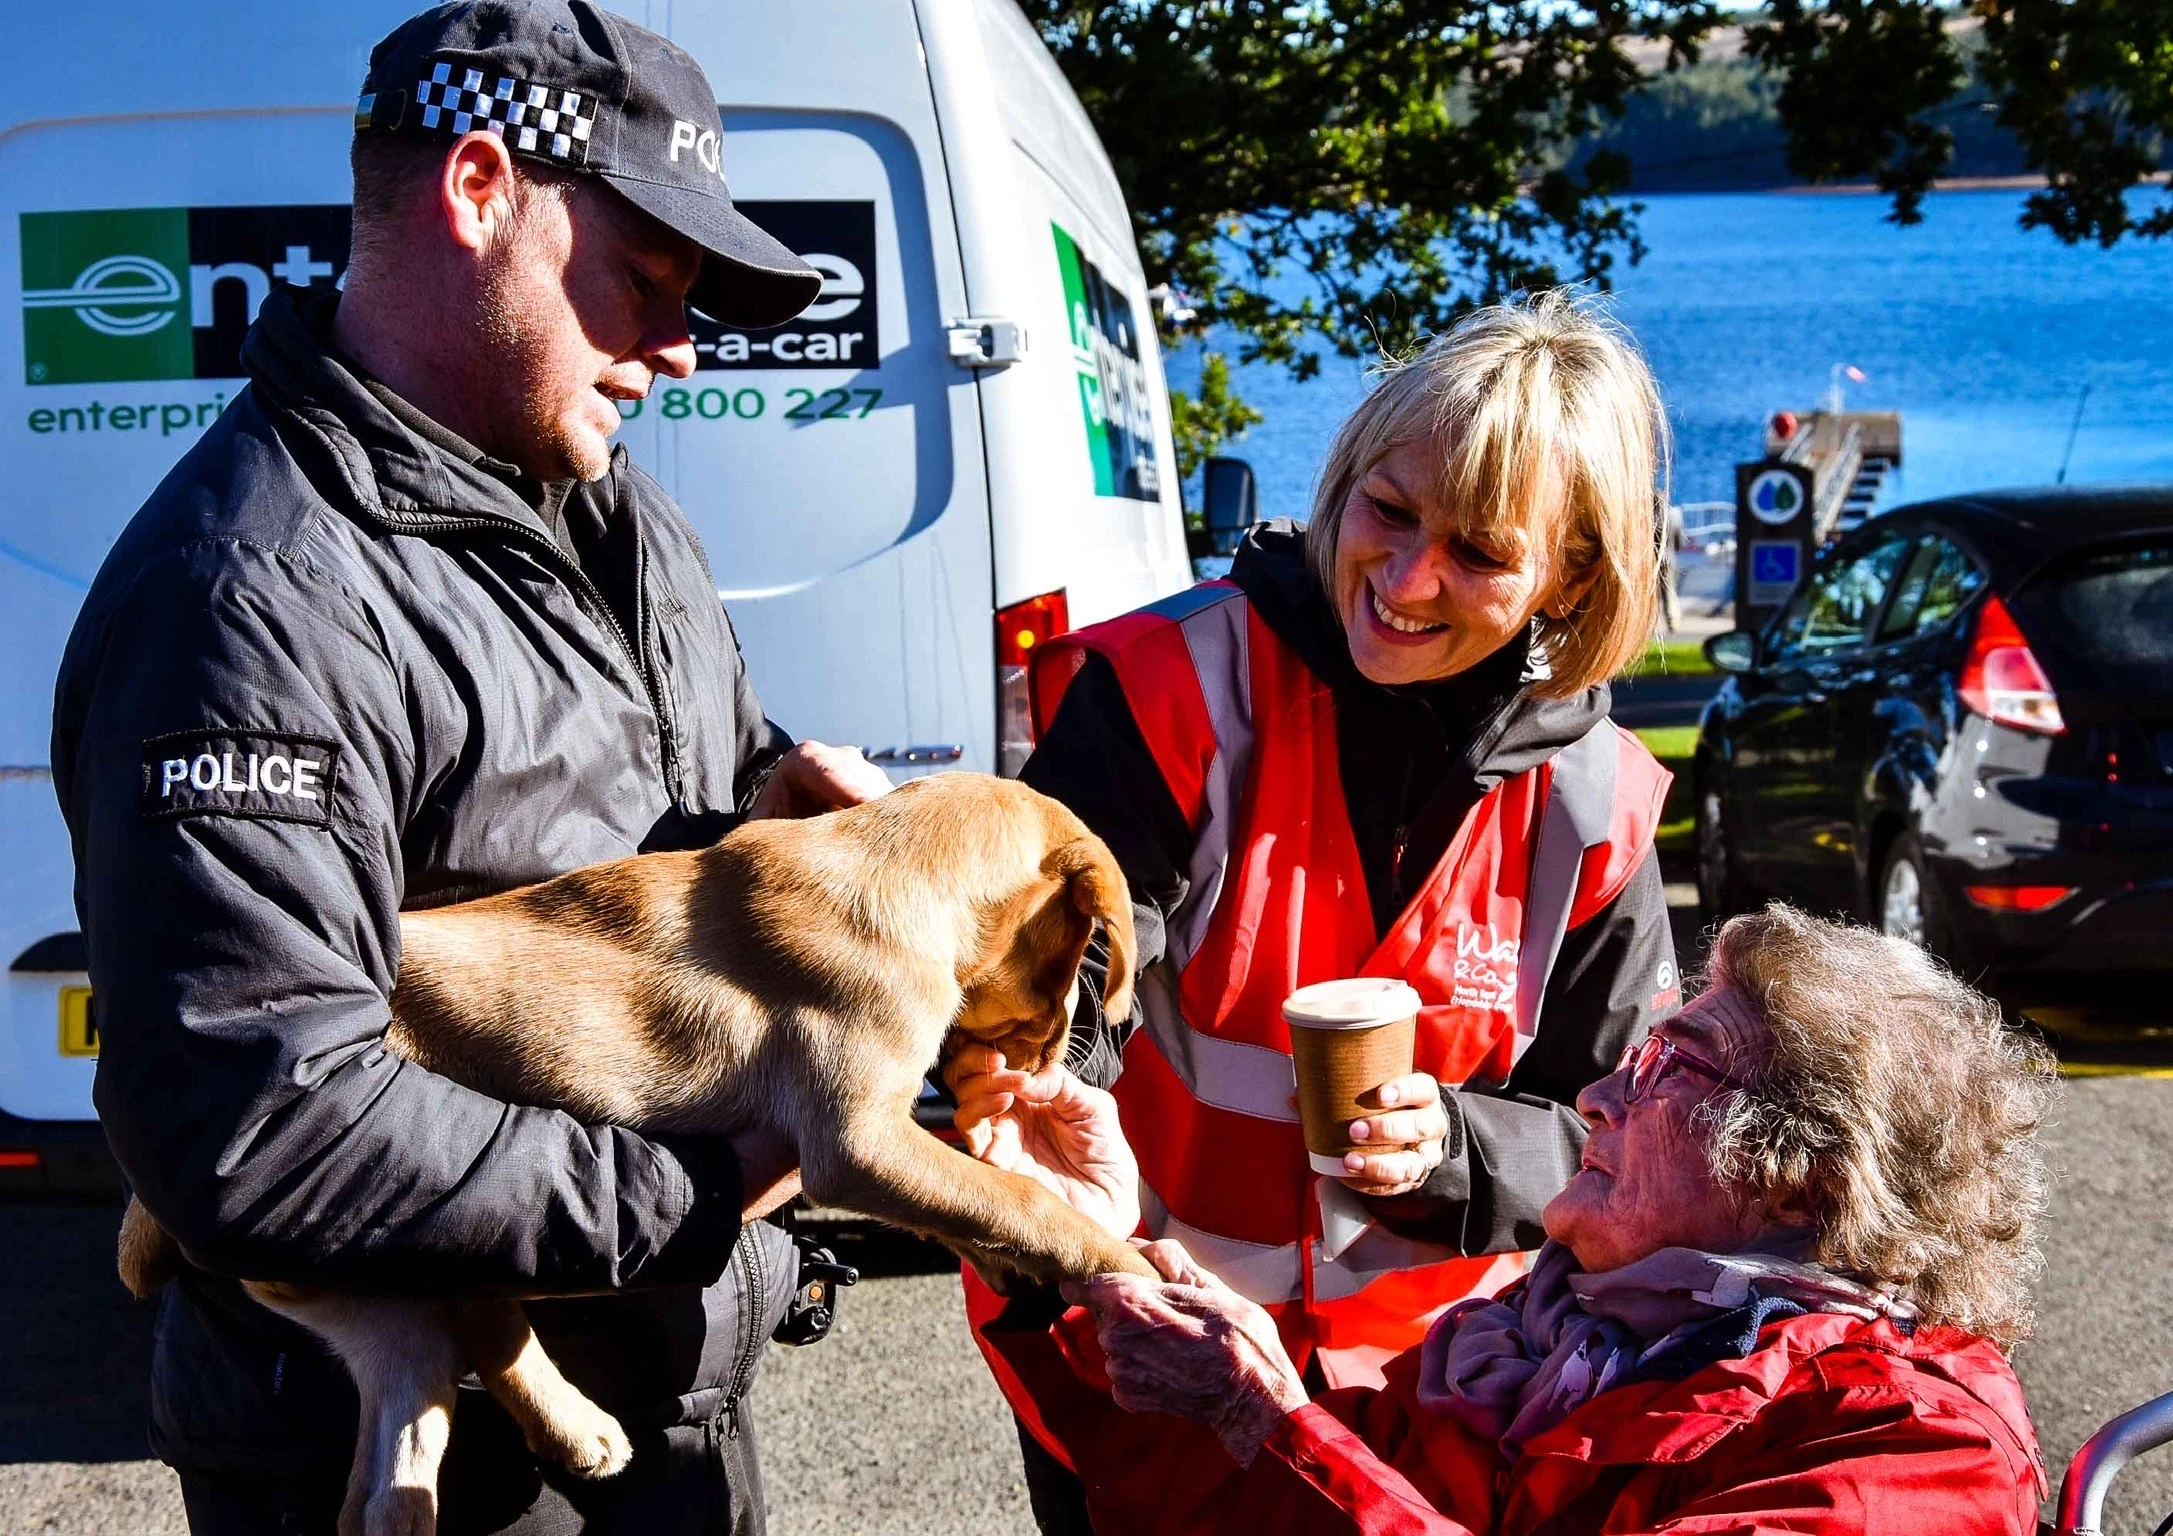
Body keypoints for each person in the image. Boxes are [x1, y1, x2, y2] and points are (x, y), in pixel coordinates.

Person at [49, 3, 890, 1531]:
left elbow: (651, 794)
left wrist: (768, 822)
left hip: (662, 1400)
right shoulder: (252, 598)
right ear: (482, 188)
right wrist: (714, 1180)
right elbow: (257, 1118)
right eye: (647, 278)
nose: (682, 349)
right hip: (408, 1469)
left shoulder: (616, 516)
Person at [951, 293, 1682, 1530]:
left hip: (1436, 1397)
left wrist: (1457, 1150)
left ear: (1570, 579)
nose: (1405, 578)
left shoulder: (1596, 797)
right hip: (1145, 1341)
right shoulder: (1170, 684)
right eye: (1386, 512)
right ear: (1340, 480)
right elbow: (1056, 963)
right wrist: (1048, 1071)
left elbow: (1631, 1137)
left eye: (1482, 553)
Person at [971, 906, 2054, 1535]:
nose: (1594, 1099)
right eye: (1634, 1056)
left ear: (1803, 1179)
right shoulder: (1546, 1340)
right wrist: (1083, 1250)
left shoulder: (1909, 1449)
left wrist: (1270, 1418)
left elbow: (1309, 1467)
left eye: (1672, 1066)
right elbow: (1254, 1503)